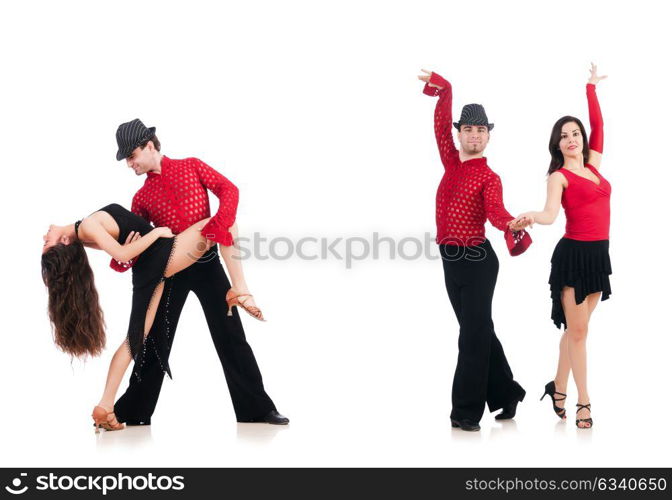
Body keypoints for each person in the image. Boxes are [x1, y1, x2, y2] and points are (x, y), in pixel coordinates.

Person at [108, 119, 287, 426]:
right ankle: (132, 412)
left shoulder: (192, 166)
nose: (129, 163)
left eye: (131, 155)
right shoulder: (141, 199)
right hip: (171, 271)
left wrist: (220, 223)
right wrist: (131, 246)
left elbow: (228, 189)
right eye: (126, 158)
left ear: (149, 146)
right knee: (155, 342)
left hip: (207, 264)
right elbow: (134, 256)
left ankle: (256, 410)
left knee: (231, 335)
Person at [418, 69, 531, 432]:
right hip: (450, 261)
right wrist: (445, 88)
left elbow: (496, 212)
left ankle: (465, 411)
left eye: (481, 130)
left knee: (471, 335)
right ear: (460, 133)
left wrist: (511, 223)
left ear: (488, 136)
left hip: (479, 261)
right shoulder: (450, 162)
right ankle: (507, 391)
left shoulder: (489, 177)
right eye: (468, 129)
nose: (474, 135)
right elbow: (438, 125)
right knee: (478, 330)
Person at [42, 203, 216, 431]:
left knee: (135, 339)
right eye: (46, 241)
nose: (45, 235)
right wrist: (156, 232)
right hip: (161, 256)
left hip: (150, 266)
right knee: (222, 223)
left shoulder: (83, 235)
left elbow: (122, 250)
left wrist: (130, 244)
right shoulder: (88, 226)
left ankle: (105, 404)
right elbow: (122, 254)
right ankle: (239, 289)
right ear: (64, 241)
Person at [510, 63, 610, 429]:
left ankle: (558, 385)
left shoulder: (594, 166)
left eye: (575, 133)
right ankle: (584, 402)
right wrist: (532, 216)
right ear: (557, 144)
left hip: (599, 255)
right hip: (573, 257)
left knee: (574, 330)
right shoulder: (559, 175)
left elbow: (600, 127)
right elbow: (552, 214)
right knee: (580, 332)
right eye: (564, 136)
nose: (571, 139)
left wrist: (590, 89)